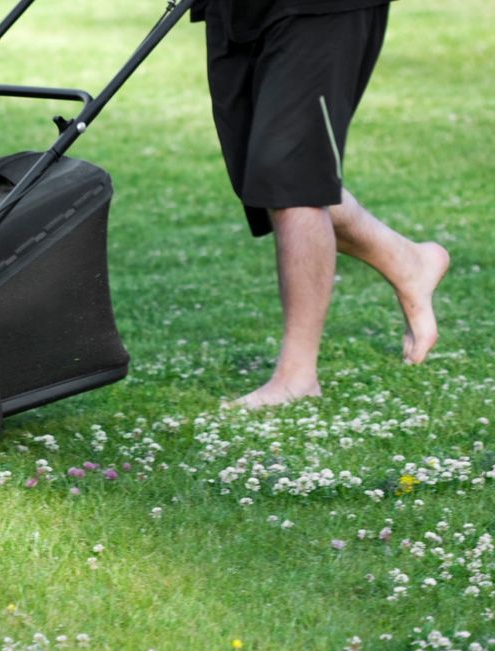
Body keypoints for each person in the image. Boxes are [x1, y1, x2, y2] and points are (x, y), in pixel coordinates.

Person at [190, 0, 450, 407]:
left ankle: (297, 378)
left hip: (317, 8)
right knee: (263, 181)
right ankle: (408, 261)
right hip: (233, 10)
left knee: (291, 180)